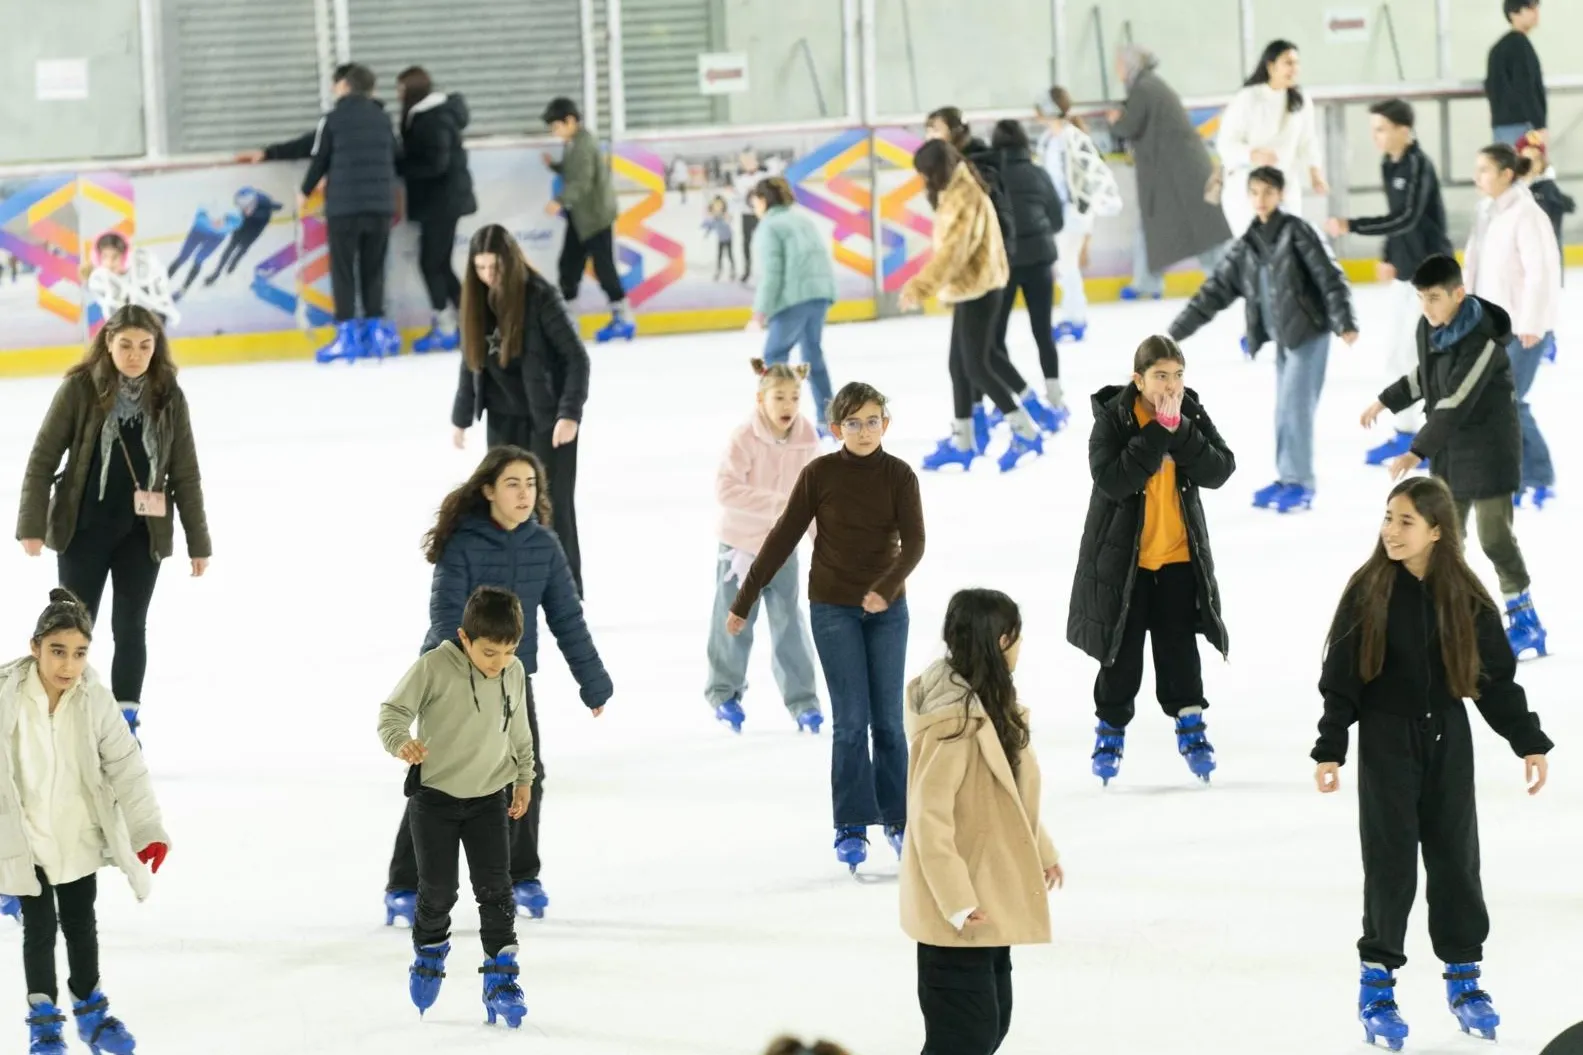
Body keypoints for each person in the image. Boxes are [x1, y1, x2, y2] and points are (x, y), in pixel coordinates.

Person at [1312, 475, 1552, 1048]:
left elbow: (1493, 680)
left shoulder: (1464, 595)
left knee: (1456, 859)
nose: (1391, 532)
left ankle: (1465, 979)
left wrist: (1528, 739)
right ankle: (1377, 986)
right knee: (1391, 863)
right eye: (1388, 518)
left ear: (1437, 531)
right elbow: (1341, 676)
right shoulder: (1368, 589)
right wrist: (1331, 745)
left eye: (1405, 522)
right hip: (1387, 740)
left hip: (1448, 737)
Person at [383, 447, 611, 928]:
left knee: (525, 773)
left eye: (531, 484)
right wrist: (460, 671)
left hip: (509, 677)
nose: (524, 493)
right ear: (488, 490)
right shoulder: (463, 544)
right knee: (437, 780)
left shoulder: (544, 545)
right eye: (512, 484)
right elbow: (445, 614)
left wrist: (592, 681)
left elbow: (566, 617)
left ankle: (522, 875)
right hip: (452, 678)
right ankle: (405, 883)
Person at [725, 382, 924, 871]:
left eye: (872, 421)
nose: (864, 431)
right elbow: (781, 538)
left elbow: (915, 544)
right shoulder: (820, 475)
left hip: (888, 612)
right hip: (834, 609)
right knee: (851, 721)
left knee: (888, 722)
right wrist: (744, 599)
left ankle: (898, 818)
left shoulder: (899, 476)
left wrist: (886, 588)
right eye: (853, 423)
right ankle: (851, 823)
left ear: (885, 424)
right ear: (836, 428)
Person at [16, 306, 212, 739]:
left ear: (156, 347)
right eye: (125, 345)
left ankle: (125, 723)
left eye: (145, 346)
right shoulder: (80, 389)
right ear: (108, 343)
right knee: (69, 629)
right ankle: (60, 716)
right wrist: (31, 524)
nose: (135, 355)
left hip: (142, 536)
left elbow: (185, 474)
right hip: (82, 531)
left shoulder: (169, 395)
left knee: (130, 626)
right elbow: (43, 458)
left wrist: (199, 543)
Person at [1, 589, 169, 1055]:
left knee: (80, 925)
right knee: (39, 931)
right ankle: (44, 1024)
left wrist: (146, 829)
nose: (68, 665)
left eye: (79, 653)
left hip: (77, 835)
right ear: (35, 647)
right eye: (57, 651)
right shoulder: (6, 696)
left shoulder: (95, 700)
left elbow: (126, 766)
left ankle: (91, 1014)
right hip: (26, 839)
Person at [1362, 252, 1550, 658]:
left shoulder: (1483, 341)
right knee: (1443, 539)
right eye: (1421, 298)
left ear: (1458, 295)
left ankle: (1526, 621)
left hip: (1489, 452)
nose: (1426, 308)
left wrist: (1416, 450)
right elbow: (1425, 376)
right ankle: (1445, 622)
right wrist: (1385, 401)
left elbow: (1456, 400)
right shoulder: (1429, 327)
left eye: (1434, 298)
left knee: (1494, 538)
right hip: (1450, 451)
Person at [1067, 335, 1235, 786]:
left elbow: (1220, 469)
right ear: (1138, 380)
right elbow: (1113, 480)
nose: (1171, 385)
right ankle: (1110, 729)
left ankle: (1191, 723)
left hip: (1179, 560)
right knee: (1120, 655)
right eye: (1161, 376)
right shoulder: (1114, 419)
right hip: (1124, 565)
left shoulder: (1189, 412)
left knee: (1179, 648)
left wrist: (1181, 430)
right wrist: (1159, 431)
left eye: (1177, 375)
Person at [901, 588, 1062, 1055]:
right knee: (965, 1038)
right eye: (1017, 636)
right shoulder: (953, 723)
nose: (1020, 645)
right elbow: (929, 820)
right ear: (1001, 640)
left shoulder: (992, 705)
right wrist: (955, 900)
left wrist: (1042, 851)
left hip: (988, 895)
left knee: (991, 1026)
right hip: (960, 911)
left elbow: (1007, 798)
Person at [378, 585, 535, 1026]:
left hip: (489, 798)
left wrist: (524, 779)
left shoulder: (514, 672)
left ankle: (500, 979)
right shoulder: (434, 667)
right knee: (439, 891)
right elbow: (392, 713)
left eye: (509, 651)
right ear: (465, 638)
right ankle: (429, 951)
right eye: (489, 652)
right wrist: (402, 742)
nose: (499, 662)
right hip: (435, 800)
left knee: (496, 891)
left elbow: (520, 731)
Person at [1169, 166, 1358, 513]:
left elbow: (1330, 276)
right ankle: (1288, 477)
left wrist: (1345, 320)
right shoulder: (1249, 244)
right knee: (1284, 410)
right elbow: (1214, 291)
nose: (1261, 199)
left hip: (1309, 333)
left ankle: (1301, 482)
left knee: (1296, 409)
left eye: (1268, 192)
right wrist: (1175, 333)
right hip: (1284, 338)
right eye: (1255, 192)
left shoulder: (1298, 231)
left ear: (1281, 194)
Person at [451, 224, 591, 597]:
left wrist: (569, 414)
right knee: (504, 506)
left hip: (548, 421)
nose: (488, 275)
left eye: (494, 267)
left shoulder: (540, 296)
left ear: (510, 261)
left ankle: (567, 594)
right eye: (480, 268)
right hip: (502, 420)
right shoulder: (477, 301)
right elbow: (471, 362)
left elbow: (577, 358)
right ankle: (511, 593)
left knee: (550, 508)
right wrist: (461, 419)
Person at [238, 63, 400, 363]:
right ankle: (375, 332)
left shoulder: (333, 119)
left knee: (343, 270)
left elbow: (319, 157)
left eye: (336, 84)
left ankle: (347, 336)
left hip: (345, 207)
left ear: (344, 86)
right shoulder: (383, 118)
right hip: (380, 206)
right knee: (373, 268)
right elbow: (396, 155)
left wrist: (304, 191)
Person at [1324, 99, 1453, 467]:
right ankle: (1405, 433)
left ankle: (1428, 441)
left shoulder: (1418, 165)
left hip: (1432, 276)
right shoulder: (1389, 164)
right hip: (1406, 274)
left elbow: (1407, 218)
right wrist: (1388, 256)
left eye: (1381, 129)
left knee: (1418, 357)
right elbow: (1396, 221)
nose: (1376, 137)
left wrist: (1352, 225)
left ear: (1403, 129)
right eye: (1374, 130)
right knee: (1395, 355)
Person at [903, 141, 1045, 475]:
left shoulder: (963, 196)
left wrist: (920, 286)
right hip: (971, 288)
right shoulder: (956, 189)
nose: (924, 180)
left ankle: (1026, 432)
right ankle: (964, 442)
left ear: (936, 170)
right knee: (959, 366)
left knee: (977, 367)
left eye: (925, 174)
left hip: (979, 289)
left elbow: (954, 252)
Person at [706, 360, 823, 734]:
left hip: (782, 548)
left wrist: (822, 544)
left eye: (795, 397)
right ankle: (724, 694)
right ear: (761, 399)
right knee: (734, 620)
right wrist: (778, 505)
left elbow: (813, 498)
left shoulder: (807, 438)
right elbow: (725, 489)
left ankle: (804, 702)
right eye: (779, 397)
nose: (788, 405)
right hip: (740, 547)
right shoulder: (745, 437)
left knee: (790, 624)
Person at [1468, 144, 1560, 512]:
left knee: (1508, 401)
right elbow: (1473, 266)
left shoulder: (1527, 214)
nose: (1477, 177)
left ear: (1507, 174)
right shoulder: (1485, 212)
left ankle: (1532, 475)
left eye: (1485, 170)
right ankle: (1525, 474)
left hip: (1525, 327)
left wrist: (1532, 322)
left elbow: (1541, 272)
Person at [1106, 45, 1233, 300]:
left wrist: (1114, 121)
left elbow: (1129, 126)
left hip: (1179, 173)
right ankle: (1148, 282)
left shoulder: (1143, 89)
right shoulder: (1149, 86)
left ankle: (1223, 281)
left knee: (1202, 231)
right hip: (1175, 171)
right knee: (1158, 226)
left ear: (1130, 65)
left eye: (1119, 64)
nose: (1116, 69)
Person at [988, 119, 1070, 434]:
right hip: (1039, 261)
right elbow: (1058, 220)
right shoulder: (1038, 174)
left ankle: (1007, 398)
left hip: (1005, 264)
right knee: (1043, 332)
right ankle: (1055, 396)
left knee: (995, 337)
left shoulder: (992, 177)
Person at [746, 177, 839, 429]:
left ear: (763, 200)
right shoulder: (802, 220)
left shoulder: (770, 226)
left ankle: (776, 421)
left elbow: (772, 274)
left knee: (774, 357)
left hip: (794, 299)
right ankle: (827, 418)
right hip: (818, 295)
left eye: (754, 202)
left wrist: (760, 312)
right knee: (812, 356)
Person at [396, 66, 477, 354]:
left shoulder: (432, 118)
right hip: (443, 200)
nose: (398, 95)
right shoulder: (431, 115)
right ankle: (470, 324)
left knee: (431, 264)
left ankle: (446, 326)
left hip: (441, 202)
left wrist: (401, 167)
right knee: (440, 264)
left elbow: (436, 163)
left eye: (401, 89)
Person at [541, 97, 633, 343]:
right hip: (580, 217)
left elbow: (582, 181)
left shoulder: (583, 144)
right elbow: (574, 170)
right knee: (568, 266)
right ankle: (569, 320)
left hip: (595, 217)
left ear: (570, 121)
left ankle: (623, 317)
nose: (554, 132)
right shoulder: (574, 142)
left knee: (603, 267)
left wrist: (559, 200)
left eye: (556, 126)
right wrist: (555, 167)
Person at [1035, 86, 1122, 344]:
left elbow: (1093, 173)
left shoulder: (1072, 138)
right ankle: (1074, 317)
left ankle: (1076, 318)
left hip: (1073, 212)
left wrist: (1092, 204)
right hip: (1057, 212)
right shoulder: (1049, 139)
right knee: (1065, 266)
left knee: (1067, 265)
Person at [1215, 40, 1326, 236]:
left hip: (1284, 186)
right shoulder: (1248, 98)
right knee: (1254, 244)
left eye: (1297, 63)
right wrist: (1252, 154)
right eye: (1288, 63)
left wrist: (1315, 174)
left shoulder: (1301, 100)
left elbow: (1308, 141)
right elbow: (1225, 143)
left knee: (1287, 242)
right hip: (1249, 189)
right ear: (1271, 66)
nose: (1294, 69)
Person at [84, 233, 179, 329]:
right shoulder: (100, 280)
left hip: (151, 318)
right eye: (104, 257)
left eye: (115, 256)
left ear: (124, 256)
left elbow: (159, 300)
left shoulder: (142, 271)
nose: (109, 262)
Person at [1486, 0, 1545, 147]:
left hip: (1502, 126)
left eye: (1536, 8)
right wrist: (1540, 125)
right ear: (1513, 13)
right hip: (1523, 126)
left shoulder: (1498, 48)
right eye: (1530, 8)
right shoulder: (1520, 45)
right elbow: (1526, 87)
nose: (1536, 13)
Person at [1517, 131, 1573, 283]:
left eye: (1535, 159)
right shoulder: (1513, 190)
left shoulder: (1547, 189)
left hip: (1543, 261)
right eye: (1525, 159)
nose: (1530, 164)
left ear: (1542, 162)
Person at [202, 187, 284, 287]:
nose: (244, 209)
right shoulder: (245, 203)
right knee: (231, 247)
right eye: (242, 207)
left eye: (246, 207)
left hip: (256, 228)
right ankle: (217, 272)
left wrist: (254, 213)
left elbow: (277, 207)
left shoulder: (264, 202)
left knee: (243, 247)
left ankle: (233, 263)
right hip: (244, 223)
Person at [733, 148, 764, 282]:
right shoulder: (740, 180)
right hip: (746, 214)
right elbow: (740, 196)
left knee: (766, 241)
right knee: (746, 243)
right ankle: (747, 269)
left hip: (762, 214)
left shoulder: (763, 177)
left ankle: (769, 269)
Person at [703, 195, 736, 281]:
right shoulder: (714, 217)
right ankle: (719, 270)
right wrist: (707, 232)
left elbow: (729, 219)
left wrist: (723, 216)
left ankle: (732, 270)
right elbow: (710, 225)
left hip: (728, 237)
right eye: (716, 205)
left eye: (719, 205)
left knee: (729, 254)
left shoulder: (725, 215)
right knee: (719, 255)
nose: (717, 207)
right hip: (721, 238)